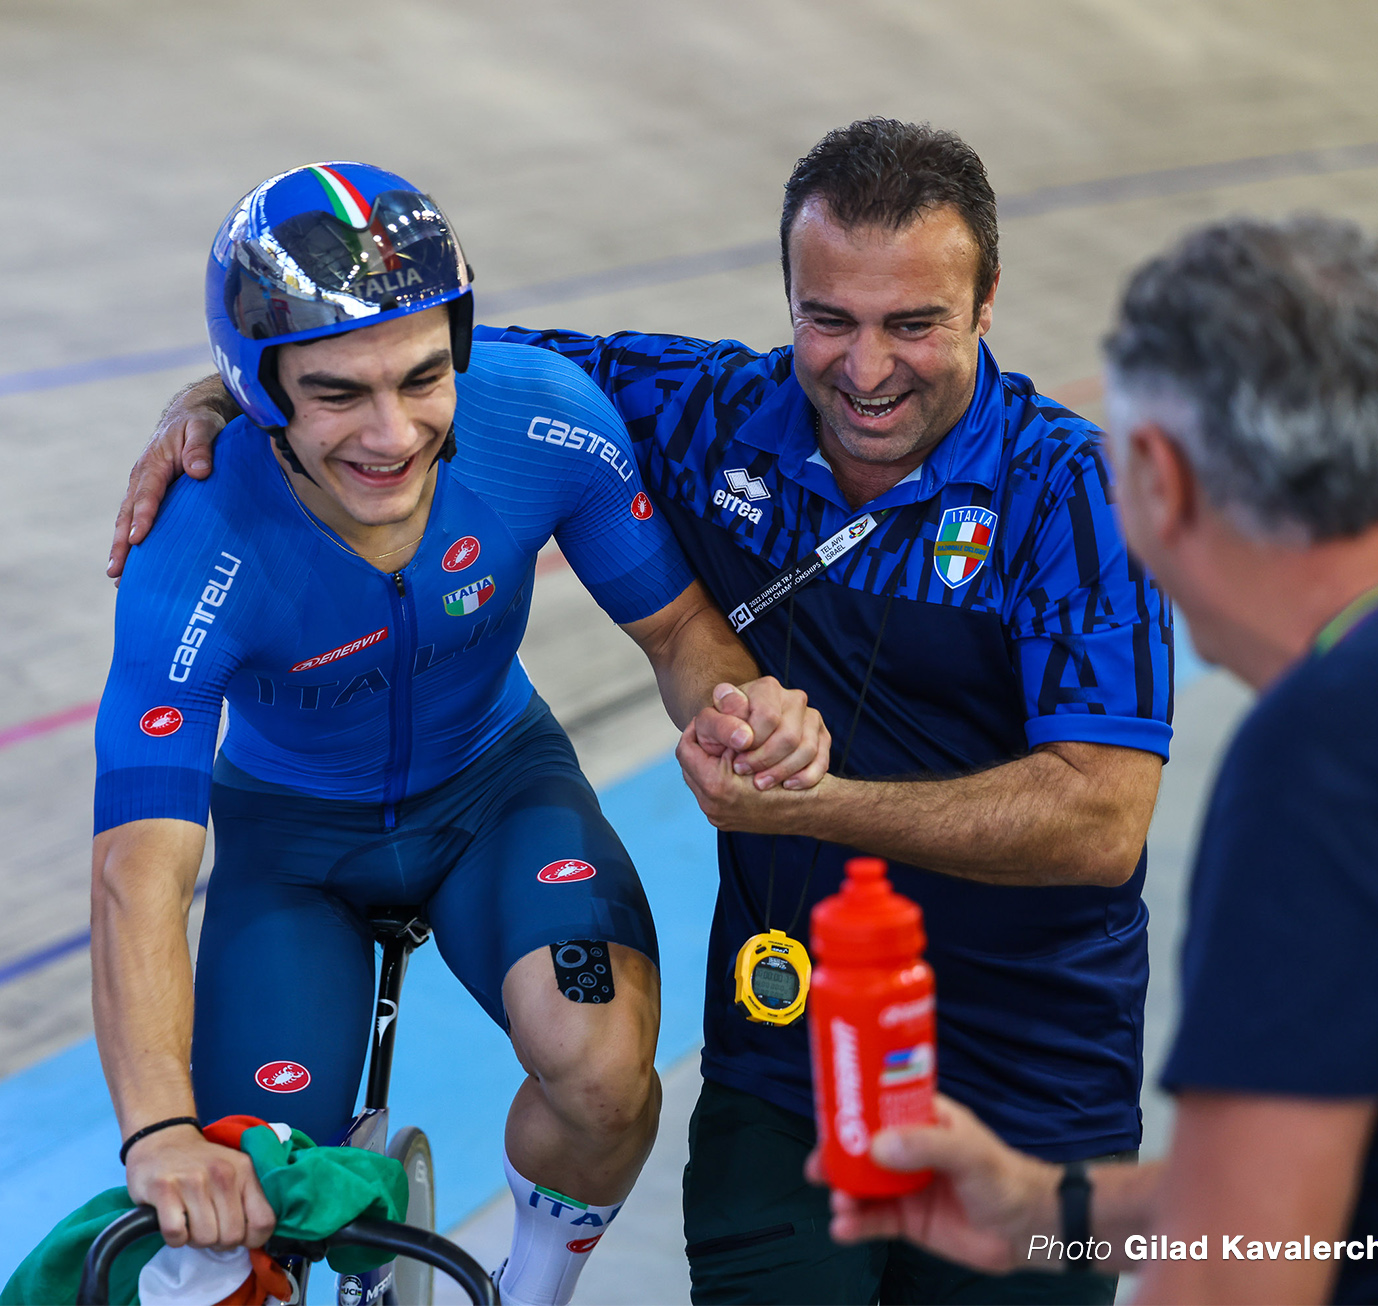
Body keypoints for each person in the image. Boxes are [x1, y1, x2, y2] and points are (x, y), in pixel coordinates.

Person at [115, 120, 1173, 1306]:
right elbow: (406, 360)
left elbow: (1101, 819)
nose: (866, 368)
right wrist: (225, 392)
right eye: (828, 319)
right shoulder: (704, 412)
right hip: (794, 1060)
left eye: (913, 323)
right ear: (787, 299)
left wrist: (822, 806)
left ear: (986, 304)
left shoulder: (1076, 492)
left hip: (1032, 1079)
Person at [93, 160, 830, 1306]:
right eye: (336, 393)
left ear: (460, 348)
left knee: (601, 1073)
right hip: (294, 844)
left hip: (497, 788)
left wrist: (742, 709)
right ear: (256, 388)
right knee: (239, 1211)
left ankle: (529, 1288)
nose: (392, 433)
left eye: (422, 378)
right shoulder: (192, 547)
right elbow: (137, 877)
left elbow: (681, 632)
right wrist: (158, 1136)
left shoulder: (541, 419)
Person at [815, 214, 1378, 1306]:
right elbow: (1365, 1180)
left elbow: (1247, 1268)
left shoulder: (1340, 748)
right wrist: (1051, 1218)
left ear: (1158, 479)